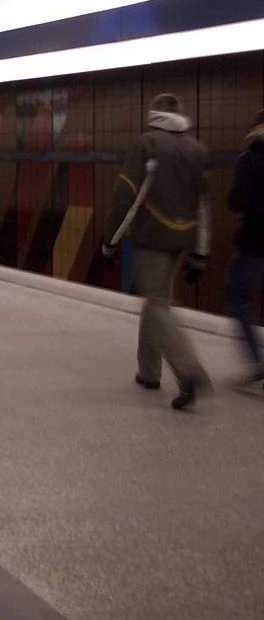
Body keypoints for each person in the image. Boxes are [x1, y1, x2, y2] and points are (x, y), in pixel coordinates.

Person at [102, 93, 211, 410]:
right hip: (182, 240)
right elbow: (203, 206)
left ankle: (188, 370)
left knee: (158, 305)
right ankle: (149, 372)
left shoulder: (147, 145)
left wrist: (110, 240)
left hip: (152, 238)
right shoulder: (196, 150)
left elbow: (128, 196)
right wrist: (201, 253)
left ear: (153, 115)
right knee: (156, 301)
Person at [225, 109, 264, 386]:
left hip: (255, 243)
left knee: (238, 298)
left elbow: (236, 201)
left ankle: (256, 359)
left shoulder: (250, 159)